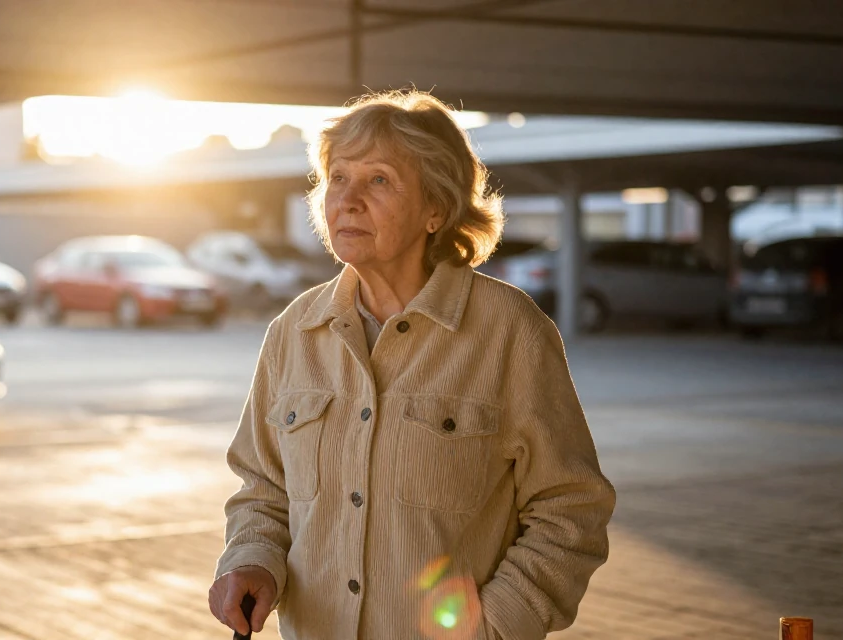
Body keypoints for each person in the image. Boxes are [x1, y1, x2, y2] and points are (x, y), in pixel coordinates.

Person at [208, 90, 615, 640]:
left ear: (436, 210)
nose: (348, 199)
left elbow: (571, 507)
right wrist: (251, 559)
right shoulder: (293, 332)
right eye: (339, 177)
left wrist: (497, 624)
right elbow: (262, 488)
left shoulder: (508, 331)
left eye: (378, 180)